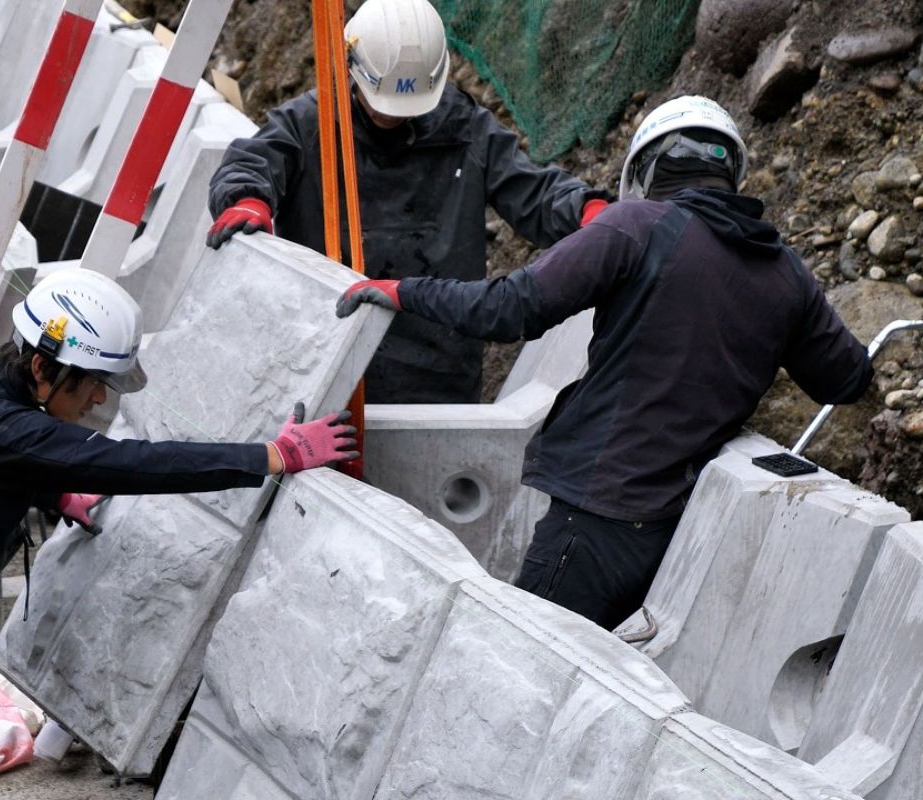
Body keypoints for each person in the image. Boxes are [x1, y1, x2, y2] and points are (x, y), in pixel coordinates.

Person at [0, 268, 357, 798]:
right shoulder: (5, 430)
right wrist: (271, 456)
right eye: (93, 383)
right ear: (42, 368)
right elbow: (137, 463)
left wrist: (52, 490)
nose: (101, 397)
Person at [336, 95, 873, 630]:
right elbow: (846, 378)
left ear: (647, 166)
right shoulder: (787, 272)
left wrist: (405, 291)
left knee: (522, 664)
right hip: (668, 533)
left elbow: (510, 308)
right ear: (731, 171)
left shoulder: (638, 225)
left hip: (594, 519)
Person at [206, 0, 610, 404]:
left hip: (437, 359)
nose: (393, 118)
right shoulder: (313, 124)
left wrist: (586, 211)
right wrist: (245, 199)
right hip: (322, 352)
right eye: (383, 107)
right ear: (352, 67)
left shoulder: (464, 130)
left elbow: (532, 191)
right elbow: (254, 160)